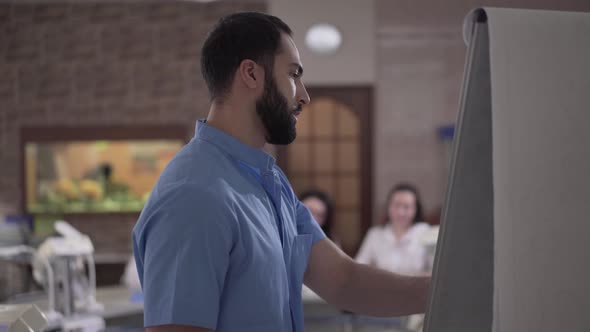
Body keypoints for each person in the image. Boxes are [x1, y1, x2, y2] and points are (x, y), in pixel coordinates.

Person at [132, 12, 430, 332]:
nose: (303, 94)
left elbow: (343, 281)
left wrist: (453, 288)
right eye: (293, 74)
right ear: (251, 74)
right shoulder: (192, 194)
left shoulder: (269, 183)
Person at [356, 183, 432, 276]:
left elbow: (435, 271)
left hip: (417, 288)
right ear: (388, 207)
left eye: (406, 207)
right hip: (382, 288)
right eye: (396, 205)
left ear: (416, 209)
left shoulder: (427, 233)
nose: (401, 212)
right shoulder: (375, 234)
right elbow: (359, 267)